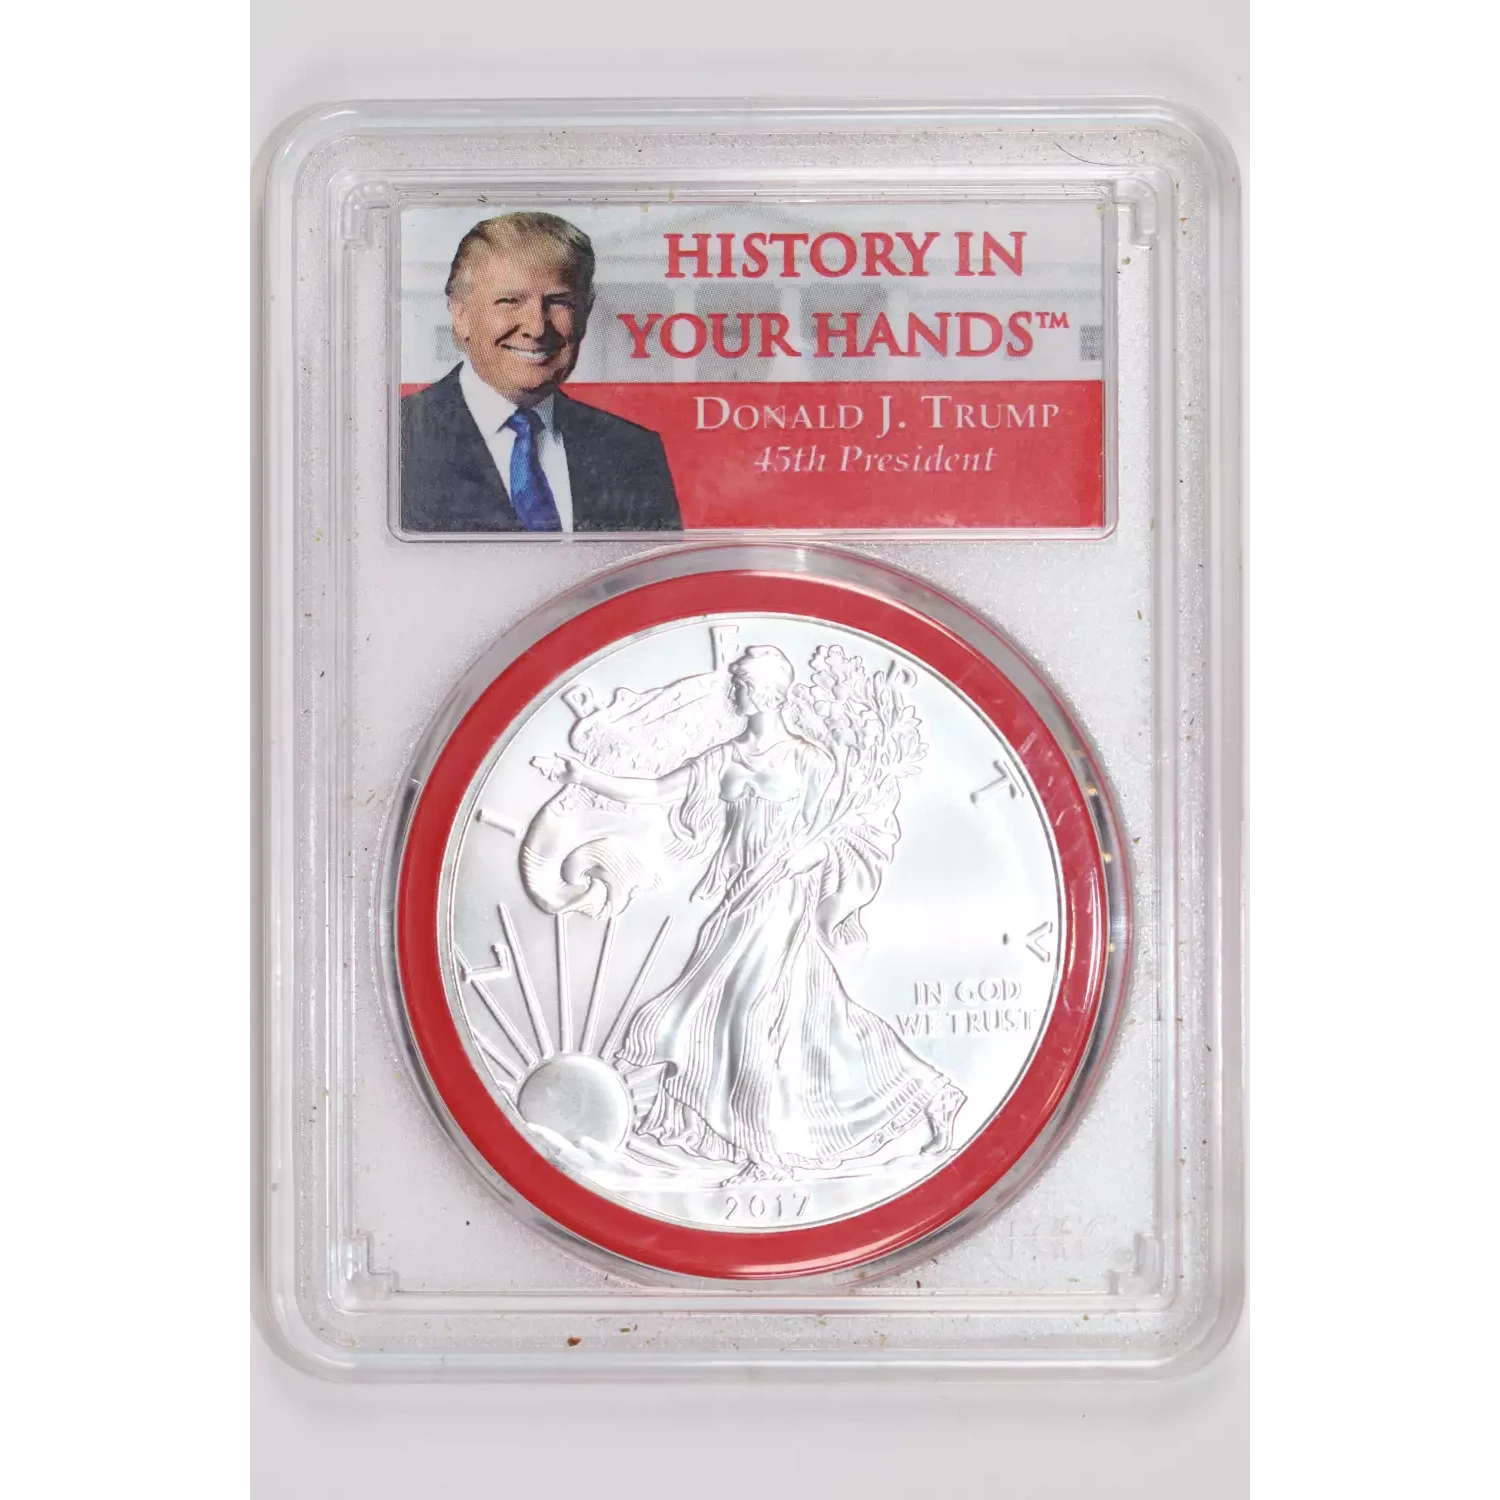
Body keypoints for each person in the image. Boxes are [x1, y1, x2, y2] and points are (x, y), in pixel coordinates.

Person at [535, 645, 964, 1182]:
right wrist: (581, 775)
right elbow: (656, 791)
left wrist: (812, 854)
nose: (733, 692)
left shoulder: (810, 761)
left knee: (746, 1019)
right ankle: (932, 1093)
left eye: (740, 685)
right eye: (735, 683)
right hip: (740, 900)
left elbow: (846, 828)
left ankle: (766, 1156)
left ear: (765, 693)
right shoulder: (724, 758)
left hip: (784, 898)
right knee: (818, 1020)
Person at [401, 212, 681, 533]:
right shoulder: (395, 439)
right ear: (460, 314)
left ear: (586, 312)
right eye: (510, 300)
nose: (537, 328)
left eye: (560, 302)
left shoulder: (634, 453)